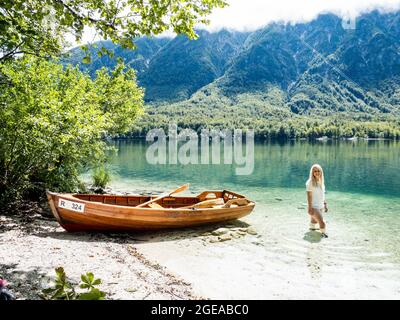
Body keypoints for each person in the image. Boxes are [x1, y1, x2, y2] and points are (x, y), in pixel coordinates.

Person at [306, 164, 328, 238]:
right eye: (315, 171)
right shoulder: (310, 183)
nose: (317, 172)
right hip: (314, 207)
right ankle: (324, 236)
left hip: (320, 206)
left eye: (318, 171)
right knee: (322, 223)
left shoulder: (321, 182)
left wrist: (325, 204)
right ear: (312, 172)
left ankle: (311, 230)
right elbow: (309, 196)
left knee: (314, 221)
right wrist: (309, 208)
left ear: (321, 172)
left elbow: (322, 195)